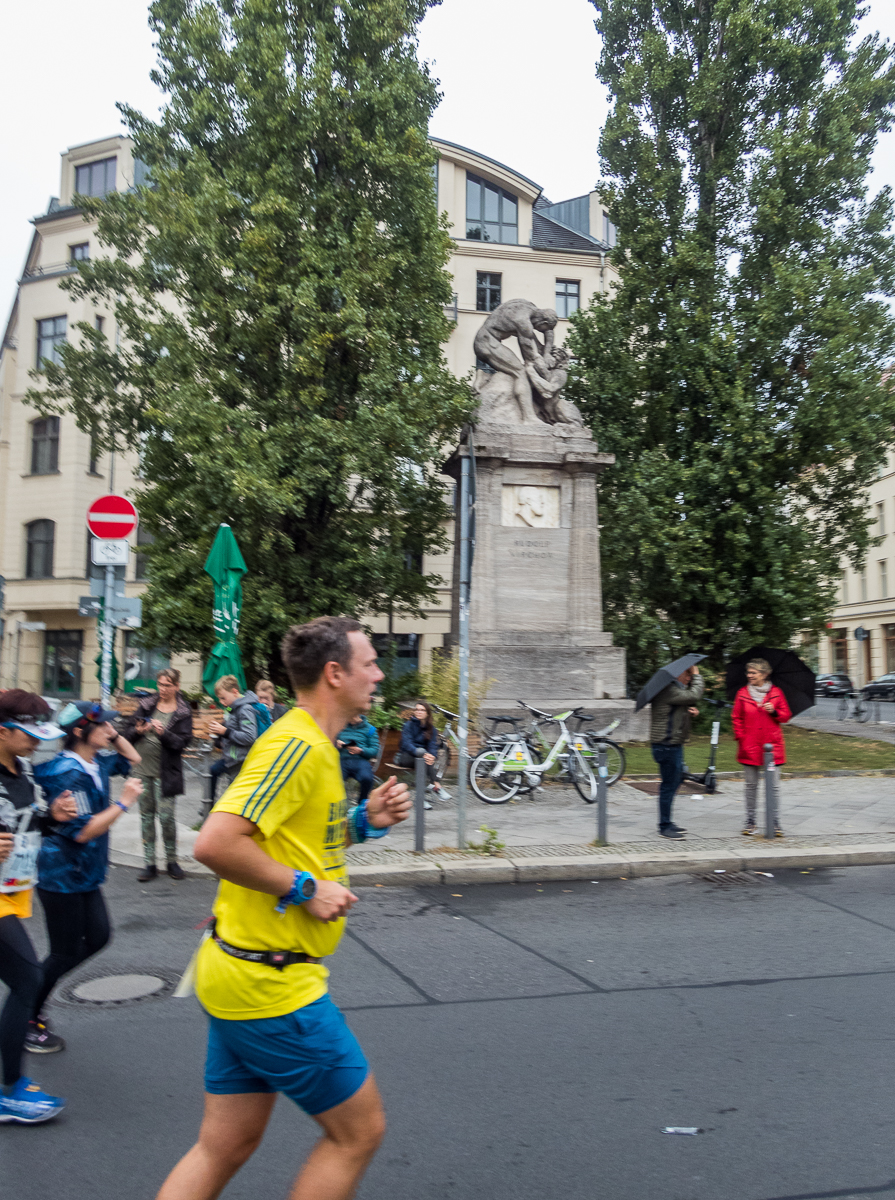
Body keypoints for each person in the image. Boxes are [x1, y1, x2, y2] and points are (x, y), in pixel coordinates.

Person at [154, 616, 411, 1200]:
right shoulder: (295, 745)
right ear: (334, 673)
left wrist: (363, 822)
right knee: (358, 1133)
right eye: (370, 663)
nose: (379, 675)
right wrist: (303, 889)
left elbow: (300, 839)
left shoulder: (315, 744)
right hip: (272, 985)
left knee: (226, 1144)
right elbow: (215, 843)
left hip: (237, 971)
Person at [30, 701, 143, 1043]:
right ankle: (27, 1010)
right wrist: (122, 804)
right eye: (104, 726)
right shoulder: (70, 773)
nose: (112, 731)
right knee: (63, 952)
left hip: (84, 872)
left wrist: (114, 730)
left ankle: (31, 989)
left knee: (98, 936)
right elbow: (81, 831)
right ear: (80, 731)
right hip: (61, 874)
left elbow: (133, 759)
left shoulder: (94, 762)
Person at [0, 690, 75, 1125]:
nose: (36, 742)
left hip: (14, 891)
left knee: (22, 979)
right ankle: (11, 1090)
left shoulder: (24, 766)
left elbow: (28, 823)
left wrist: (54, 819)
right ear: (3, 731)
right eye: (29, 734)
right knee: (27, 979)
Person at [122, 668, 194, 882]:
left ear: (176, 686)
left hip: (166, 772)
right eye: (160, 685)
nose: (163, 689)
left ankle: (172, 860)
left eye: (167, 685)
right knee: (146, 817)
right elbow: (126, 735)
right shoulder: (146, 705)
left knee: (166, 817)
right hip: (142, 770)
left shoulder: (183, 711)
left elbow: (182, 743)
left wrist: (164, 734)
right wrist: (138, 731)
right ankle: (149, 863)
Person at [732, 658, 792, 836]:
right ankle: (750, 822)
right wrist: (742, 738)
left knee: (773, 787)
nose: (749, 676)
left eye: (753, 673)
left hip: (771, 747)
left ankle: (774, 823)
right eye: (748, 673)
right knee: (751, 786)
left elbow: (786, 716)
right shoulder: (742, 693)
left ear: (765, 674)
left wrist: (774, 711)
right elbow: (736, 718)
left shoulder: (776, 693)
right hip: (749, 746)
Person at [649, 664, 704, 839]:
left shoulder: (672, 689)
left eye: (690, 674)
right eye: (687, 674)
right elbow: (694, 694)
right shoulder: (668, 689)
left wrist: (687, 713)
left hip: (672, 744)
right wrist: (697, 675)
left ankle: (667, 821)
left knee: (676, 779)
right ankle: (664, 826)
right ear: (678, 673)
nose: (689, 678)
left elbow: (672, 715)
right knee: (668, 785)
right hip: (666, 745)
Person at [207, 677, 261, 802]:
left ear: (235, 692)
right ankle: (208, 807)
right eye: (219, 699)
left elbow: (249, 737)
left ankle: (211, 809)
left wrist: (224, 731)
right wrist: (219, 737)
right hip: (231, 759)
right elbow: (231, 732)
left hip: (241, 762)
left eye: (223, 698)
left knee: (236, 800)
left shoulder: (245, 709)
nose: (222, 702)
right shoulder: (233, 708)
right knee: (213, 771)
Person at [397, 700, 451, 806]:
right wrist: (421, 753)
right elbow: (407, 744)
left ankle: (421, 799)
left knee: (425, 761)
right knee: (423, 758)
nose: (419, 712)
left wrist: (432, 756)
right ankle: (437, 786)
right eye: (417, 709)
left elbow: (433, 746)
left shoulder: (431, 729)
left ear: (427, 713)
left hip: (423, 757)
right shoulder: (408, 725)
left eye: (422, 710)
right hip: (406, 756)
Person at [336, 713, 379, 801]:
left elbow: (374, 749)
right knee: (334, 779)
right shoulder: (341, 727)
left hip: (361, 760)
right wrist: (336, 743)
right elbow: (329, 741)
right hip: (342, 760)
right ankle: (338, 802)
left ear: (358, 715)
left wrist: (361, 750)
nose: (348, 719)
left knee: (367, 778)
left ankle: (361, 803)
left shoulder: (370, 729)